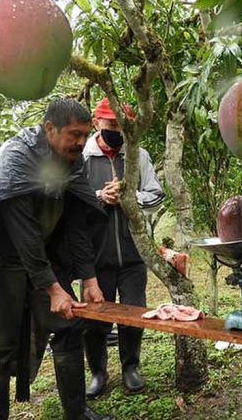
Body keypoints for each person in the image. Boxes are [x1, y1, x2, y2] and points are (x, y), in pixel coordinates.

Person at [0, 98, 113, 420]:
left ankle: (77, 412)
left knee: (70, 325)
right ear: (49, 129)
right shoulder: (17, 157)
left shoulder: (73, 161)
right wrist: (53, 288)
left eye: (85, 134)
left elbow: (76, 221)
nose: (81, 143)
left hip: (41, 256)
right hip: (0, 262)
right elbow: (23, 230)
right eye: (74, 134)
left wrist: (89, 277)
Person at [81, 97, 165, 398]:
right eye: (111, 124)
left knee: (134, 312)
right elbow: (72, 201)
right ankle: (98, 373)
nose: (117, 129)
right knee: (94, 319)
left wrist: (130, 195)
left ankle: (131, 367)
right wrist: (99, 196)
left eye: (122, 124)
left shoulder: (137, 155)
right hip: (95, 255)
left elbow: (157, 196)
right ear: (97, 122)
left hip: (132, 254)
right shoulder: (84, 157)